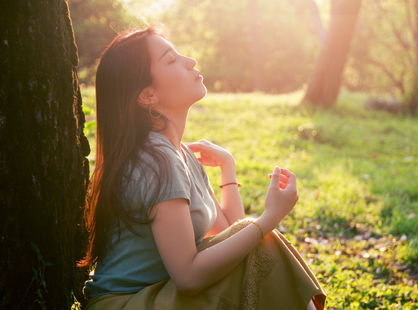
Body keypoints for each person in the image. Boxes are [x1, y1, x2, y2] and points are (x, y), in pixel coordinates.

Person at [78, 26, 327, 310]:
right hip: (128, 304)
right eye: (171, 60)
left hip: (160, 295)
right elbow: (189, 277)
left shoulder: (177, 152)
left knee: (258, 242)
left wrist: (227, 167)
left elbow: (229, 235)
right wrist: (270, 218)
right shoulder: (157, 160)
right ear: (148, 96)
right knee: (262, 238)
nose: (190, 61)